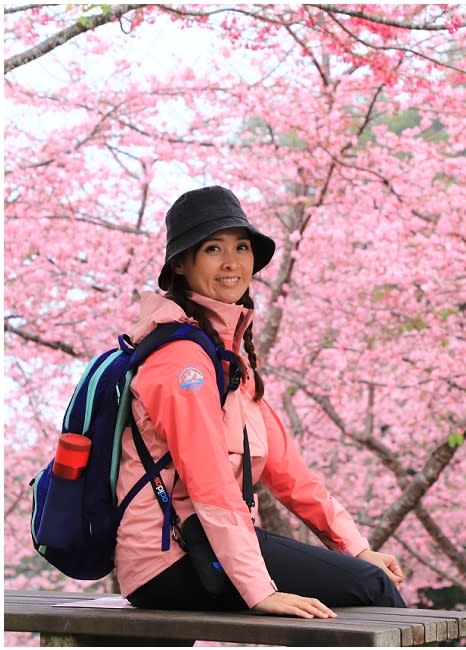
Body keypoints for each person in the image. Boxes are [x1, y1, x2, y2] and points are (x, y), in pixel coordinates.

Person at [114, 185, 406, 617]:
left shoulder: (226, 359)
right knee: (373, 591)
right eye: (213, 248)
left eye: (242, 247)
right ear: (179, 263)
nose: (232, 262)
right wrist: (258, 590)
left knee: (367, 578)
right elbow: (208, 481)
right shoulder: (182, 361)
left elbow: (291, 475)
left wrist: (357, 548)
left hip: (201, 546)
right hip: (169, 560)